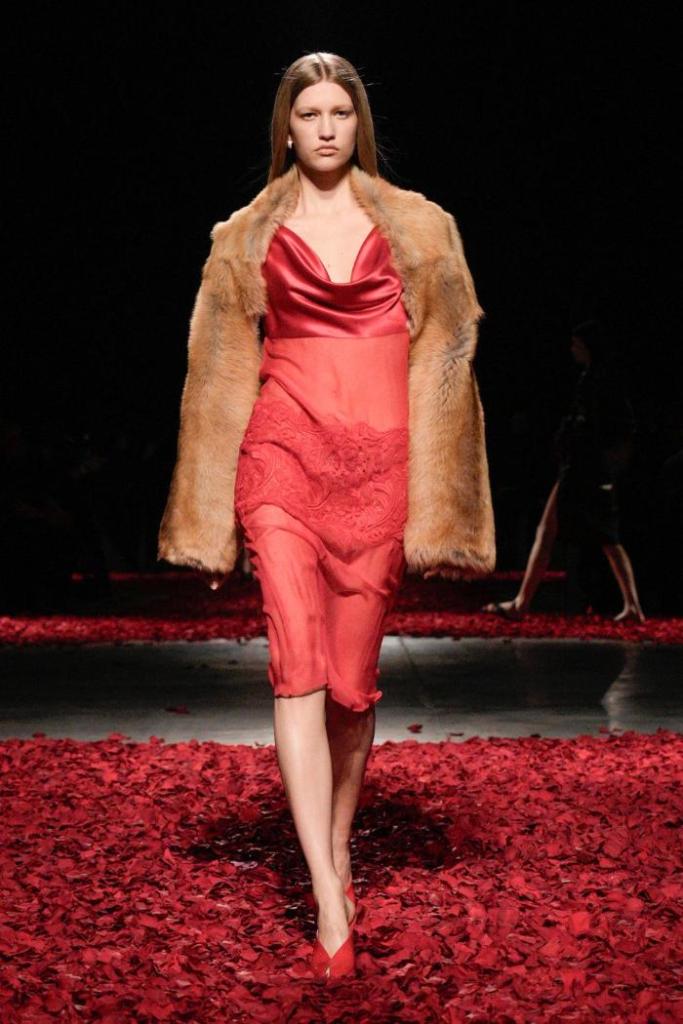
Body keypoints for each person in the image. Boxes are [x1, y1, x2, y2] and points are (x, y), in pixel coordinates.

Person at [157, 52, 496, 979]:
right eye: (307, 113)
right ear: (286, 127)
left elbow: (448, 359)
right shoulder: (242, 238)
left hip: (381, 469)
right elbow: (216, 369)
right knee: (296, 668)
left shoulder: (420, 229)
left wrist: (443, 494)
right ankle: (324, 896)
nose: (325, 128)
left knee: (350, 688)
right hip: (282, 458)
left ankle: (337, 849)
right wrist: (208, 508)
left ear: (359, 125)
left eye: (339, 112)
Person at [483, 319, 645, 623]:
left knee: (572, 534)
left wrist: (593, 453)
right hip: (583, 468)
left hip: (585, 469)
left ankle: (522, 603)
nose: (573, 349)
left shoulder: (598, 383)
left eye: (577, 345)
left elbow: (611, 427)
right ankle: (631, 605)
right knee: (599, 536)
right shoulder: (595, 380)